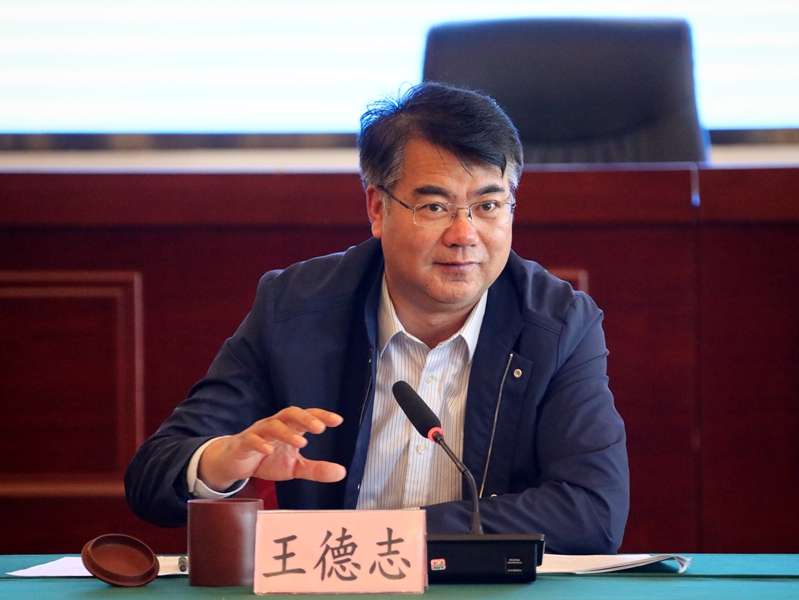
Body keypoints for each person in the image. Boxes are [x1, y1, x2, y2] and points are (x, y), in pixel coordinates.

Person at [125, 82, 629, 554]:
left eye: (489, 205)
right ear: (376, 208)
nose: (465, 234)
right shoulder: (296, 309)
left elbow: (594, 512)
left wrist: (388, 537)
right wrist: (218, 462)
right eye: (435, 207)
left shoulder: (557, 324)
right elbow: (152, 478)